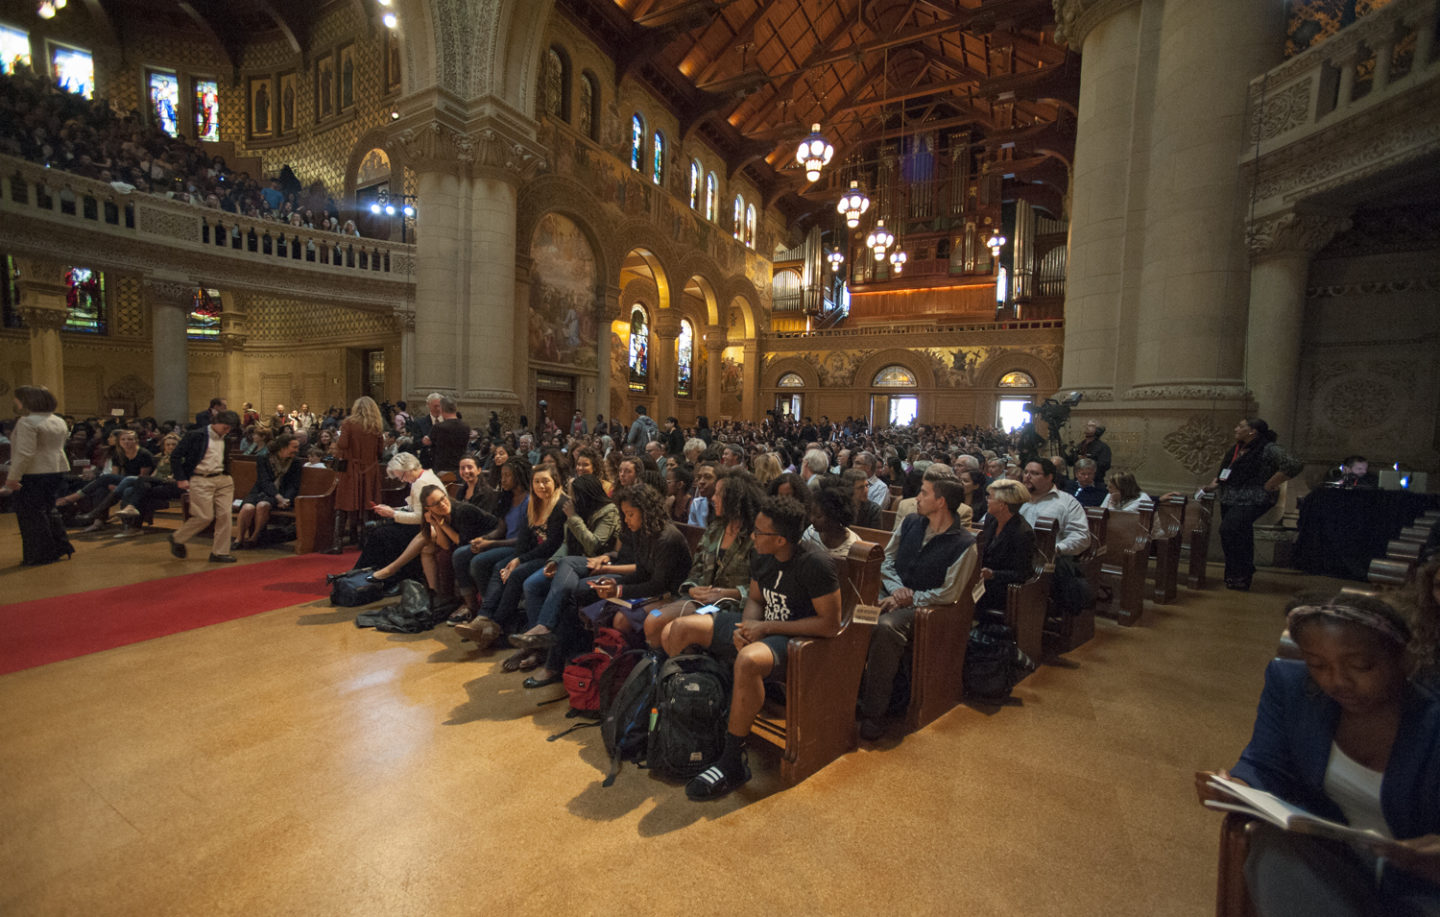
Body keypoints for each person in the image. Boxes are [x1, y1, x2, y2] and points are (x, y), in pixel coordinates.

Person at [1194, 593, 1440, 916]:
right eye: (1317, 665)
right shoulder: (1293, 689)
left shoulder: (1431, 722)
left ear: (1403, 659)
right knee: (1273, 851)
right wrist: (1236, 786)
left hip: (1421, 887)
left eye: (1360, 666)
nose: (1337, 681)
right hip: (1340, 864)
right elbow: (1264, 765)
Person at [661, 495, 841, 800]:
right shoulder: (762, 556)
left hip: (798, 640)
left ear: (781, 540)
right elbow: (756, 599)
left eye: (759, 532)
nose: (752, 537)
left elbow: (829, 624)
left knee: (746, 660)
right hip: (762, 628)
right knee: (679, 627)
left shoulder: (815, 564)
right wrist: (746, 628)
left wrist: (765, 629)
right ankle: (686, 720)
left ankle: (732, 760)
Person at [857, 476, 978, 739]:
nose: (917, 498)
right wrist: (896, 591)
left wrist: (910, 598)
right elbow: (887, 560)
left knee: (886, 628)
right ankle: (847, 693)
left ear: (941, 501)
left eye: (924, 493)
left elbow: (949, 593)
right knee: (857, 613)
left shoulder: (964, 544)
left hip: (928, 611)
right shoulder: (911, 522)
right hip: (894, 596)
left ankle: (873, 713)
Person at [457, 464, 568, 660]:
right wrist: (515, 558)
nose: (541, 486)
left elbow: (552, 545)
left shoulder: (560, 505)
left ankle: (495, 625)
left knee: (517, 574)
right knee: (500, 566)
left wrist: (519, 561)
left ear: (555, 482)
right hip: (532, 553)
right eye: (537, 482)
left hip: (552, 557)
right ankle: (484, 617)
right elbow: (524, 540)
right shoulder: (533, 503)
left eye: (546, 481)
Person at [640, 471, 761, 649]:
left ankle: (679, 673)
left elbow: (762, 588)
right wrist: (693, 588)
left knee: (670, 631)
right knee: (654, 619)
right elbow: (696, 569)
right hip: (701, 600)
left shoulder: (756, 537)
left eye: (719, 494)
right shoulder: (715, 529)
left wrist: (728, 593)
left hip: (733, 605)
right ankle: (659, 669)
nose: (713, 498)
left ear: (735, 499)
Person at [509, 474, 621, 658]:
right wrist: (554, 560)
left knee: (564, 592)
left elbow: (593, 544)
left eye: (573, 495)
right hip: (570, 562)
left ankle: (543, 632)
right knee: (532, 584)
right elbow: (567, 543)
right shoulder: (577, 508)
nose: (570, 499)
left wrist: (574, 517)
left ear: (585, 495)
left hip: (595, 563)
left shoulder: (608, 511)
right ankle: (537, 641)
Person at [1203, 418, 1303, 591]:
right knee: (1239, 533)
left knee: (1230, 528)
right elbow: (1225, 472)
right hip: (1230, 497)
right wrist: (1213, 485)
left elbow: (1294, 464)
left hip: (1254, 498)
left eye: (1240, 426)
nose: (1236, 429)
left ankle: (1242, 572)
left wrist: (1271, 482)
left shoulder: (1268, 448)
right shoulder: (1236, 449)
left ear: (1252, 431)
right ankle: (1237, 575)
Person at [451, 457, 531, 625]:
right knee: (460, 554)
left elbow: (522, 539)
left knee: (479, 562)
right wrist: (484, 538)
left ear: (519, 476)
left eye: (508, 475)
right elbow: (501, 529)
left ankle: (488, 609)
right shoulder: (506, 498)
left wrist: (490, 544)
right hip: (504, 541)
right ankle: (471, 606)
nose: (503, 480)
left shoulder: (529, 501)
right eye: (502, 475)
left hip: (518, 546)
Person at [1, 385, 73, 566]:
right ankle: (60, 547)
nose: (15, 401)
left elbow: (24, 453)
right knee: (49, 510)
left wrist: (13, 477)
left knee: (31, 514)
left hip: (33, 472)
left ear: (26, 400)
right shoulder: (58, 420)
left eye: (17, 398)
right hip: (56, 469)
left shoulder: (27, 422)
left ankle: (40, 554)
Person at [354, 452, 444, 582]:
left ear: (409, 468)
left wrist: (393, 514)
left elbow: (420, 517)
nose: (402, 480)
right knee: (381, 531)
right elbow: (415, 508)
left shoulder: (421, 482)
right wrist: (393, 510)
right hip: (427, 524)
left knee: (381, 534)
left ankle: (376, 576)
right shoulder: (423, 477)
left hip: (429, 526)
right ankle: (367, 573)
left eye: (402, 476)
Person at [168, 409, 241, 563]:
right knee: (204, 516)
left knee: (225, 516)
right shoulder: (196, 435)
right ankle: (177, 538)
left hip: (223, 479)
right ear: (215, 423)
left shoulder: (226, 437)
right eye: (225, 428)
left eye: (230, 429)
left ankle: (219, 552)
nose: (227, 431)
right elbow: (175, 456)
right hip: (201, 479)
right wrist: (181, 478)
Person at [328, 395, 384, 553]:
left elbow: (343, 444)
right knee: (367, 505)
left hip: (351, 468)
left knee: (343, 505)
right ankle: (364, 541)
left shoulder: (349, 423)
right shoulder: (376, 426)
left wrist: (338, 438)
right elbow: (380, 452)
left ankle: (337, 544)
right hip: (370, 469)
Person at [974, 480, 1036, 614]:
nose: (987, 501)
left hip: (1003, 588)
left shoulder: (1022, 533)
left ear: (1002, 505)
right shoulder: (991, 519)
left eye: (989, 497)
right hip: (982, 581)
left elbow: (1022, 573)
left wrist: (993, 574)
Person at [233, 434, 302, 549]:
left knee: (262, 505)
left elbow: (293, 485)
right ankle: (239, 539)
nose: (296, 450)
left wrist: (286, 500)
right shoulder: (263, 458)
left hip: (279, 495)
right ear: (283, 447)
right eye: (294, 447)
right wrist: (278, 497)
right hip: (261, 491)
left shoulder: (295, 462)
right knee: (248, 508)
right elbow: (264, 481)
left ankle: (254, 538)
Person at [801, 477, 860, 559]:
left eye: (818, 516)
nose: (811, 519)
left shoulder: (853, 546)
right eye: (811, 513)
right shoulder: (810, 534)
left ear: (835, 517)